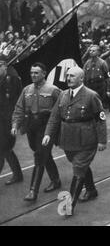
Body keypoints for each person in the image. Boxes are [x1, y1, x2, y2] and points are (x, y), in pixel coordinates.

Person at [42, 66, 107, 216]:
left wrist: (102, 140)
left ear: (81, 79)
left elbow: (100, 119)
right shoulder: (63, 95)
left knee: (78, 167)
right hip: (67, 139)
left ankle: (68, 205)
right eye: (67, 76)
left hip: (86, 139)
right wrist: (48, 134)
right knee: (79, 165)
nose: (68, 78)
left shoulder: (91, 96)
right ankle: (91, 190)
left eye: (72, 76)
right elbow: (54, 117)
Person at [11, 63, 61, 201]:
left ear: (44, 73)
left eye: (36, 73)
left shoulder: (53, 90)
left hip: (47, 127)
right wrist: (15, 124)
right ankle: (56, 180)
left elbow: (62, 109)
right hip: (31, 127)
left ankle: (33, 191)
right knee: (41, 152)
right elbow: (19, 108)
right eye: (32, 72)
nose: (33, 75)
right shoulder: (27, 90)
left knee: (39, 156)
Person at [0, 54, 23, 185]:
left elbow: (17, 101)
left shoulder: (12, 79)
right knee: (5, 148)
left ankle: (18, 174)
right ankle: (18, 174)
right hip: (1, 119)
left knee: (3, 148)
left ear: (4, 65)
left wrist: (15, 121)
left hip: (8, 120)